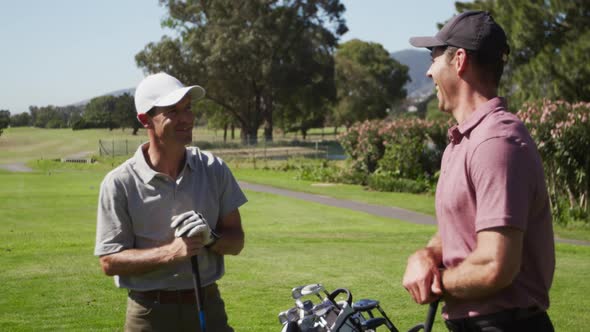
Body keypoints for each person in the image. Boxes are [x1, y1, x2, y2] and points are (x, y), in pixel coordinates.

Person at [402, 11, 555, 332]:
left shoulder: (497, 142)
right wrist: (427, 254)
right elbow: (460, 231)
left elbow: (494, 265)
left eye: (433, 59)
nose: (429, 72)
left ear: (459, 60)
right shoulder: (463, 141)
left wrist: (436, 281)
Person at [94, 72, 247, 331]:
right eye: (173, 111)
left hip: (208, 306)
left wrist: (211, 239)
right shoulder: (119, 182)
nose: (186, 118)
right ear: (145, 120)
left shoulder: (214, 168)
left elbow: (237, 241)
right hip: (149, 313)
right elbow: (110, 262)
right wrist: (172, 252)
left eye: (187, 108)